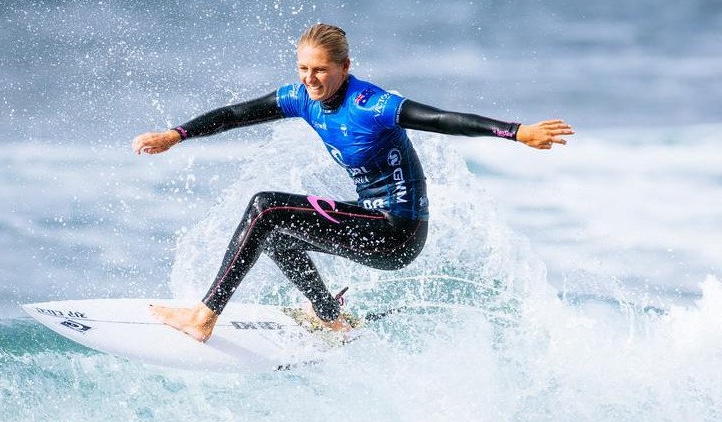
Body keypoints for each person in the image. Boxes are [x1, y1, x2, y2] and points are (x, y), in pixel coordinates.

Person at [132, 23, 573, 342]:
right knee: (272, 231)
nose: (310, 79)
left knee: (265, 208)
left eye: (320, 70)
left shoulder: (373, 104)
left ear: (345, 67)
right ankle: (329, 317)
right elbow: (237, 114)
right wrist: (178, 134)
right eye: (303, 68)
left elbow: (442, 119)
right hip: (373, 224)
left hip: (395, 233)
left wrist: (516, 131)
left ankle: (204, 318)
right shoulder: (301, 98)